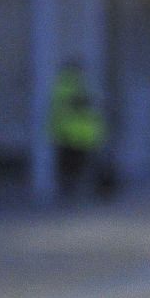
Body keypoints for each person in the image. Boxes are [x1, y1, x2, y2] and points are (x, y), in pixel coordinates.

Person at [48, 60, 107, 202]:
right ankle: (74, 193)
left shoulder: (67, 85)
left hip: (70, 134)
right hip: (75, 135)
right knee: (75, 167)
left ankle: (72, 193)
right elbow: (82, 109)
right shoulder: (75, 86)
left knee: (71, 168)